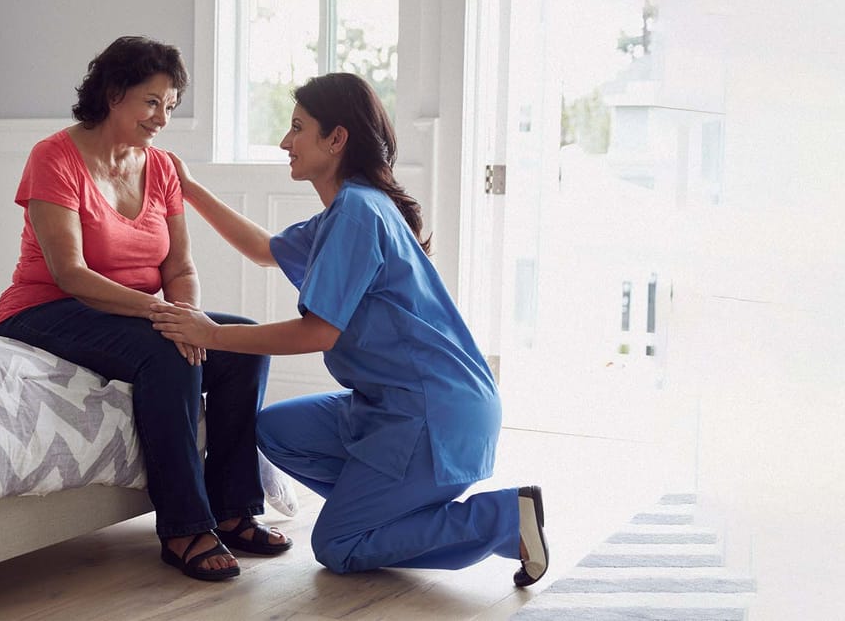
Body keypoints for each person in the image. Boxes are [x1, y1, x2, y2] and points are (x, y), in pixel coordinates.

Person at [149, 72, 549, 586]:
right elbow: (263, 249)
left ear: (336, 139)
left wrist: (212, 334)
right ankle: (387, 506)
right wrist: (187, 188)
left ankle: (501, 519)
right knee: (276, 430)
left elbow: (318, 333)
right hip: (393, 407)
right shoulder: (349, 209)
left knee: (337, 544)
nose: (285, 142)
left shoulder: (358, 214)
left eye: (297, 128)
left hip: (431, 414)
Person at [0, 36, 291, 582]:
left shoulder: (161, 168)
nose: (162, 118)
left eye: (171, 106)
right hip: (46, 308)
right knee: (167, 354)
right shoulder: (53, 157)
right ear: (113, 94)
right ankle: (183, 527)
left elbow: (179, 269)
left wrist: (192, 318)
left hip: (132, 311)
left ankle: (233, 508)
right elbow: (71, 274)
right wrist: (163, 318)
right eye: (152, 102)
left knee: (241, 343)